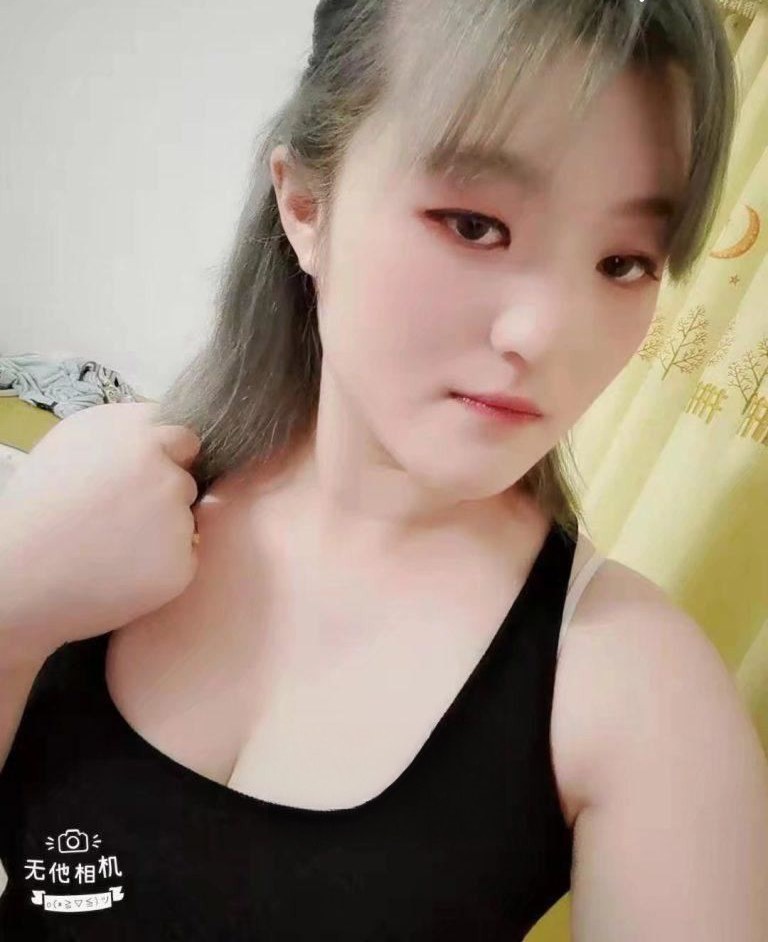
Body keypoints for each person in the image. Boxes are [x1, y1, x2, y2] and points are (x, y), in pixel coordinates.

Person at [1, 0, 767, 938]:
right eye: (474, 224)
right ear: (304, 205)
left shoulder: (636, 687)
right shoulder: (91, 500)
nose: (544, 335)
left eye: (622, 263)